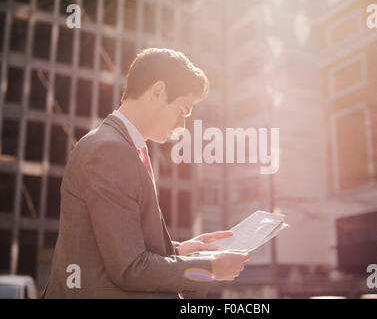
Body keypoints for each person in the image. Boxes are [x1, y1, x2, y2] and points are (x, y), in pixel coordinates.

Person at [42, 48, 250, 299]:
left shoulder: (120, 146)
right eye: (182, 111)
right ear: (158, 92)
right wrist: (211, 269)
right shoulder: (110, 151)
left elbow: (118, 244)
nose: (182, 125)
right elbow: (130, 268)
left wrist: (179, 250)